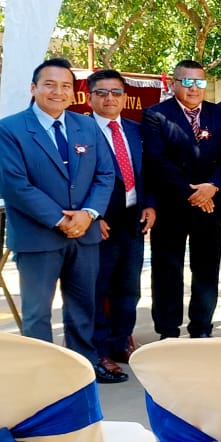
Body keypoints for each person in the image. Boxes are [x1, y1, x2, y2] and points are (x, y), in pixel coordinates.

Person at [0, 59, 118, 382]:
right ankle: (42, 377)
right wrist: (59, 220)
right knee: (38, 313)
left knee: (83, 307)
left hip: (85, 234)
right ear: (33, 88)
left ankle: (83, 368)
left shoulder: (87, 126)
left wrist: (88, 214)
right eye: (49, 84)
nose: (58, 91)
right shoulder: (10, 129)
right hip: (38, 237)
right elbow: (14, 184)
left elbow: (105, 174)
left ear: (73, 92)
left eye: (66, 85)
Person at [142, 60, 221, 340]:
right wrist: (195, 194)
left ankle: (201, 328)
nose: (194, 88)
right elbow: (158, 161)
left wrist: (213, 187)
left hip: (211, 206)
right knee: (167, 271)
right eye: (187, 82)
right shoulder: (156, 115)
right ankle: (168, 331)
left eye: (199, 82)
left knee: (206, 271)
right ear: (174, 84)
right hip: (172, 207)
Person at [86, 69, 155, 377]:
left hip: (133, 220)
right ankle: (99, 351)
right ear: (90, 97)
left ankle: (121, 341)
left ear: (125, 97)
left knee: (128, 287)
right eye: (101, 92)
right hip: (99, 224)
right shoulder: (81, 131)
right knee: (98, 289)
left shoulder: (136, 129)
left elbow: (147, 172)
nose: (109, 98)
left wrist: (150, 204)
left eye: (115, 92)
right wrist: (93, 215)